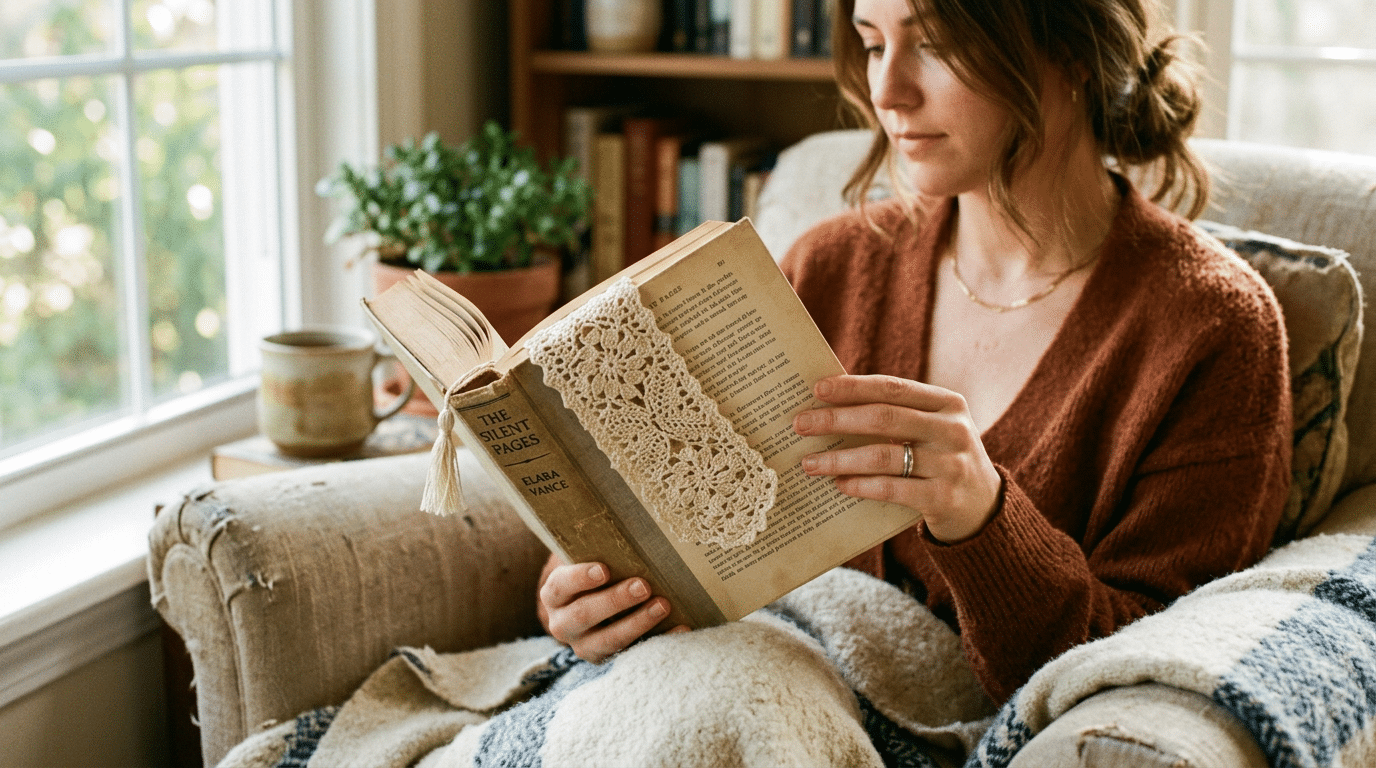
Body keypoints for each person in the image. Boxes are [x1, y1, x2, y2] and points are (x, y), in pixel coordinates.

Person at [536, 0, 1292, 706]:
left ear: (1073, 50)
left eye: (935, 43)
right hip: (718, 686)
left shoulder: (1214, 327)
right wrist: (587, 593)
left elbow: (1150, 677)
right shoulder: (831, 265)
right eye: (871, 43)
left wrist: (979, 515)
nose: (886, 92)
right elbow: (673, 517)